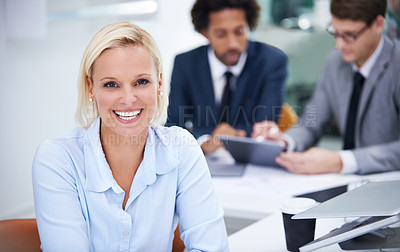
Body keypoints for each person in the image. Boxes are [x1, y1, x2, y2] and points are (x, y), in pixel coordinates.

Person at [32, 21, 229, 251]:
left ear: (159, 84)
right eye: (111, 84)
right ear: (91, 88)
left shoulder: (181, 148)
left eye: (141, 82)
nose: (128, 99)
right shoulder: (57, 159)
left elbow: (211, 247)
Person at [252, 0, 400, 175]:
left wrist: (341, 161)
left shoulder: (396, 64)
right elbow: (310, 123)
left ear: (378, 24)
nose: (339, 45)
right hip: (346, 184)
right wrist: (283, 141)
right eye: (335, 32)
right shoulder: (334, 63)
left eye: (350, 35)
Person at [167, 0, 288, 154]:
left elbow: (265, 123)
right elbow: (174, 125)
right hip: (203, 159)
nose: (233, 44)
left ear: (249, 27)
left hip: (252, 158)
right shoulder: (185, 63)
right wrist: (205, 141)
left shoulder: (272, 61)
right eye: (221, 34)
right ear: (205, 32)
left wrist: (225, 137)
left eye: (239, 32)